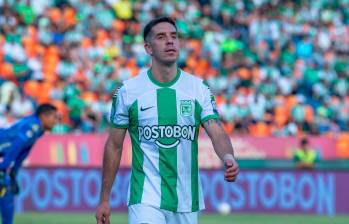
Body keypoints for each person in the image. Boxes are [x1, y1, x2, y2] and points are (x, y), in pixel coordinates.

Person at [95, 17, 239, 224]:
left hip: (187, 200)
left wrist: (227, 156)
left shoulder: (199, 89)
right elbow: (114, 146)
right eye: (161, 37)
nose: (170, 41)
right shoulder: (128, 91)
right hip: (145, 197)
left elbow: (216, 131)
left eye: (174, 36)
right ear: (148, 48)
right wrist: (104, 199)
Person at [0, 103, 58, 224]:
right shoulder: (33, 126)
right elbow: (16, 146)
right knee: (6, 194)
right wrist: (3, 168)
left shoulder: (38, 130)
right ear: (43, 116)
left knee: (7, 195)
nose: (56, 121)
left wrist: (13, 174)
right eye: (54, 117)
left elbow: (23, 152)